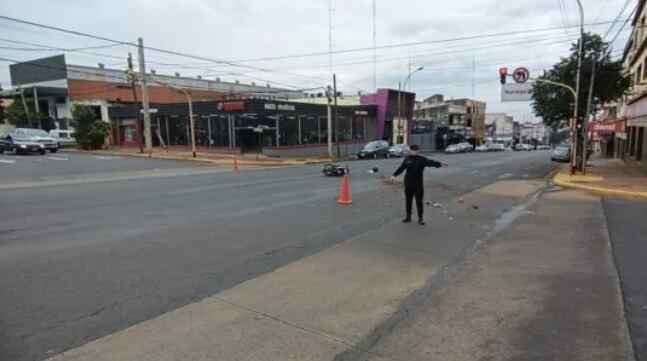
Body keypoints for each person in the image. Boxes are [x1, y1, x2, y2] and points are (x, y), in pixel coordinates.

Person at [391, 145, 447, 225]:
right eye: (413, 150)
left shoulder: (422, 159)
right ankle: (408, 217)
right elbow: (401, 168)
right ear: (411, 151)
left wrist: (440, 164)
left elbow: (431, 162)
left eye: (417, 151)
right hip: (408, 184)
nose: (415, 152)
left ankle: (420, 219)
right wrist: (394, 175)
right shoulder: (407, 159)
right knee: (408, 201)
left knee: (419, 202)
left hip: (418, 185)